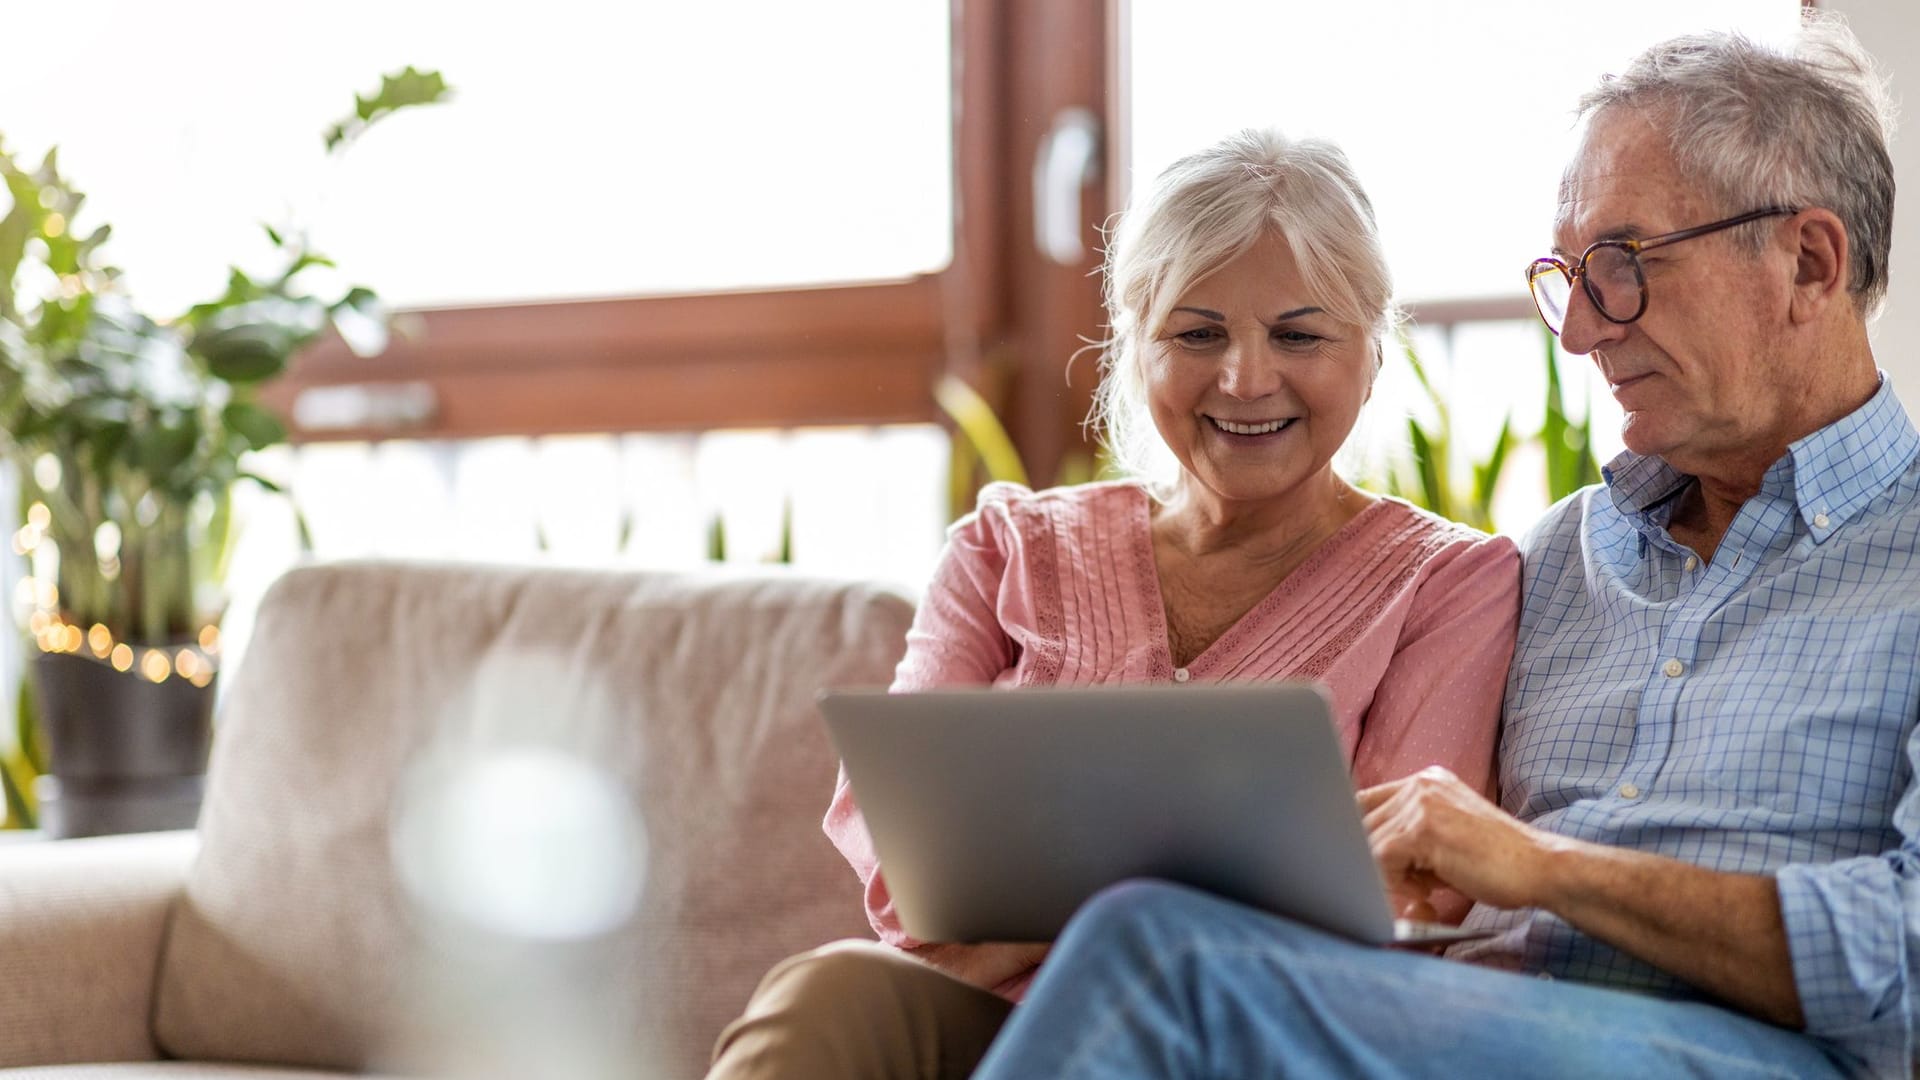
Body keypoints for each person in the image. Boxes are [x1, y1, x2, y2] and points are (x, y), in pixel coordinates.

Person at [965, 14, 1914, 1079]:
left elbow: (1910, 959)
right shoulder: (1556, 560)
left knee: (1162, 958)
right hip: (1457, 1022)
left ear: (1810, 260)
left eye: (1621, 264)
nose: (1580, 330)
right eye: (1569, 276)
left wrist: (1543, 868)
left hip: (1750, 1055)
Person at [705, 129, 1522, 1079]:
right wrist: (1194, 886)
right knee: (834, 989)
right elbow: (908, 880)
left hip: (1225, 1045)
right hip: (978, 1025)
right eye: (1197, 332)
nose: (1246, 379)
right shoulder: (1004, 545)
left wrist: (1030, 920)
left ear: (1373, 353)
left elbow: (1394, 902)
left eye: (1299, 333)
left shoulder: (1450, 582)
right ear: (1136, 347)